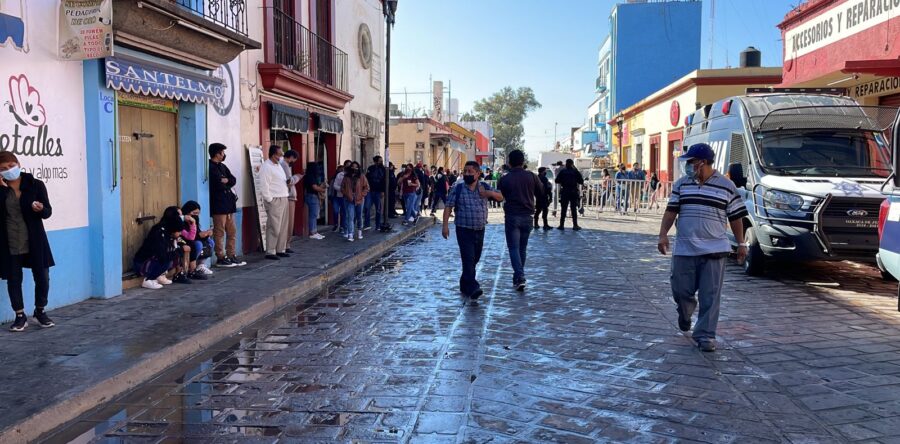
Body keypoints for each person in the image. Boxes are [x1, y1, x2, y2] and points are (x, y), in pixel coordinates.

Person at [658, 143, 748, 353]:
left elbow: (736, 217)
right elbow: (671, 211)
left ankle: (706, 335)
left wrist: (741, 242)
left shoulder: (727, 186)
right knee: (680, 290)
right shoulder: (682, 185)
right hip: (685, 249)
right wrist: (663, 234)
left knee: (710, 295)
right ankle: (685, 312)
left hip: (715, 249)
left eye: (691, 162)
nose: (688, 166)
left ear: (703, 163)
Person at [0, 152, 55, 331]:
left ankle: (40, 311)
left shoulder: (35, 185)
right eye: (3, 169)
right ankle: (20, 315)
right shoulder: (1, 189)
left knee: (43, 277)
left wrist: (41, 209)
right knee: (14, 279)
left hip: (34, 240)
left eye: (10, 166)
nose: (8, 170)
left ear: (18, 163)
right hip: (10, 240)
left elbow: (48, 212)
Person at [442, 161, 503, 300]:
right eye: (465, 171)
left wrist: (487, 193)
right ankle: (473, 287)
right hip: (463, 229)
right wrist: (445, 226)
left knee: (475, 258)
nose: (467, 174)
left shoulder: (484, 187)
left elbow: (500, 197)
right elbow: (448, 207)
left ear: (478, 173)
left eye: (470, 172)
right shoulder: (457, 189)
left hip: (480, 229)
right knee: (468, 258)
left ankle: (464, 283)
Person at [498, 150, 543, 291]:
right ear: (523, 162)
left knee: (513, 248)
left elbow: (499, 197)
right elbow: (541, 194)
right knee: (522, 248)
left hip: (512, 216)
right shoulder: (532, 176)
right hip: (527, 216)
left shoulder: (505, 179)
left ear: (509, 163)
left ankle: (520, 275)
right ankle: (518, 276)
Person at [208, 143, 245, 268]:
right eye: (222, 152)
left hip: (229, 205)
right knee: (219, 233)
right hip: (219, 206)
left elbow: (233, 180)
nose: (224, 155)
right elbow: (218, 184)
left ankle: (231, 255)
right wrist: (225, 181)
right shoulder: (210, 167)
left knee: (232, 232)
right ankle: (221, 257)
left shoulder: (223, 166)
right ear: (216, 153)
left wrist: (227, 180)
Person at [133, 206, 182, 291]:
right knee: (167, 259)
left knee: (173, 256)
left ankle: (159, 275)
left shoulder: (168, 233)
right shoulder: (159, 232)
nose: (180, 233)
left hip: (152, 261)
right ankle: (149, 279)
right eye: (178, 231)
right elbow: (162, 255)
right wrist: (177, 252)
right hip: (142, 264)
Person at [260, 145, 290, 260]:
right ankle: (270, 251)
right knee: (274, 227)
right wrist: (269, 199)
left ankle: (280, 249)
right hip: (275, 199)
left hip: (284, 197)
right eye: (280, 154)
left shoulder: (278, 166)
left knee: (283, 226)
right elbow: (264, 185)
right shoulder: (266, 167)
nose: (282, 156)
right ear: (273, 155)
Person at [181, 201, 214, 276]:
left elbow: (197, 233)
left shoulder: (194, 220)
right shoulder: (183, 221)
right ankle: (192, 267)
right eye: (194, 213)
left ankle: (201, 265)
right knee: (198, 244)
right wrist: (200, 235)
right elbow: (190, 237)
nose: (196, 215)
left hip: (192, 238)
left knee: (210, 242)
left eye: (197, 213)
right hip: (185, 240)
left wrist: (206, 234)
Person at [341, 161, 369, 241]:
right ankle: (350, 234)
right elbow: (342, 188)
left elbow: (367, 187)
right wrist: (347, 194)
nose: (354, 168)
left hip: (359, 199)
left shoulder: (362, 176)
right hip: (349, 199)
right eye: (353, 166)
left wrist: (362, 194)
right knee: (350, 217)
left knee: (359, 216)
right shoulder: (346, 177)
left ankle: (360, 230)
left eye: (356, 167)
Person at [280, 150, 302, 253]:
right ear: (291, 157)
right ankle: (286, 245)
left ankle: (285, 244)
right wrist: (298, 177)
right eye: (295, 159)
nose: (294, 161)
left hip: (287, 197)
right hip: (289, 198)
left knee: (287, 223)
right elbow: (289, 182)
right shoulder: (284, 165)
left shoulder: (283, 165)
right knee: (288, 223)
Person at [554, 159, 584, 230]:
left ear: (566, 164)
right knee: (573, 209)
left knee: (563, 209)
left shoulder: (562, 172)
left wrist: (563, 181)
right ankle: (575, 225)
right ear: (572, 164)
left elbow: (557, 180)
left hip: (565, 191)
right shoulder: (575, 172)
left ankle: (561, 225)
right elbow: (581, 181)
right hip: (573, 191)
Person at [303, 162, 327, 240]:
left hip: (311, 196)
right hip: (312, 196)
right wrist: (323, 189)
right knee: (313, 215)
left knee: (314, 214)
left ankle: (315, 231)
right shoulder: (310, 176)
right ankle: (313, 232)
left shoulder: (309, 176)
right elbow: (315, 187)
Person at [364, 155, 386, 230]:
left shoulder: (383, 169)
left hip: (378, 191)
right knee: (367, 207)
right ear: (375, 161)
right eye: (380, 160)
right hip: (370, 191)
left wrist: (383, 191)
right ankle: (367, 224)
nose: (381, 162)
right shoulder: (370, 168)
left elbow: (385, 181)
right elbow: (366, 178)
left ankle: (378, 225)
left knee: (378, 209)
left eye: (382, 160)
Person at [331, 159, 352, 234]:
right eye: (347, 165)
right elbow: (335, 185)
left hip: (346, 197)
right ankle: (336, 224)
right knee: (336, 210)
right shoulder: (340, 174)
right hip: (338, 195)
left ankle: (342, 226)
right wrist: (342, 189)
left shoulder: (352, 175)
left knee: (344, 212)